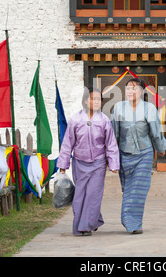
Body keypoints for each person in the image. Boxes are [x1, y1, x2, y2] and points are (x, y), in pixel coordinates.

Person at [57, 87, 120, 236]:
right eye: (93, 99)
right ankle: (90, 221)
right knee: (80, 196)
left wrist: (113, 164)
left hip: (98, 163)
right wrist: (63, 164)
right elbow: (68, 142)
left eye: (99, 99)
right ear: (86, 101)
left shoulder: (104, 120)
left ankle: (85, 226)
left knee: (93, 195)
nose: (96, 102)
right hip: (79, 163)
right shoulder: (75, 119)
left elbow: (111, 144)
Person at [111, 78, 166, 234]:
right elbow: (113, 133)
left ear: (142, 91)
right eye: (128, 88)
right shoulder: (118, 108)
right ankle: (130, 220)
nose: (130, 91)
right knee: (128, 189)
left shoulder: (149, 108)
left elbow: (156, 131)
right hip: (124, 155)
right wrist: (112, 157)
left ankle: (133, 223)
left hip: (144, 154)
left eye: (134, 88)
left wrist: (161, 148)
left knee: (139, 189)